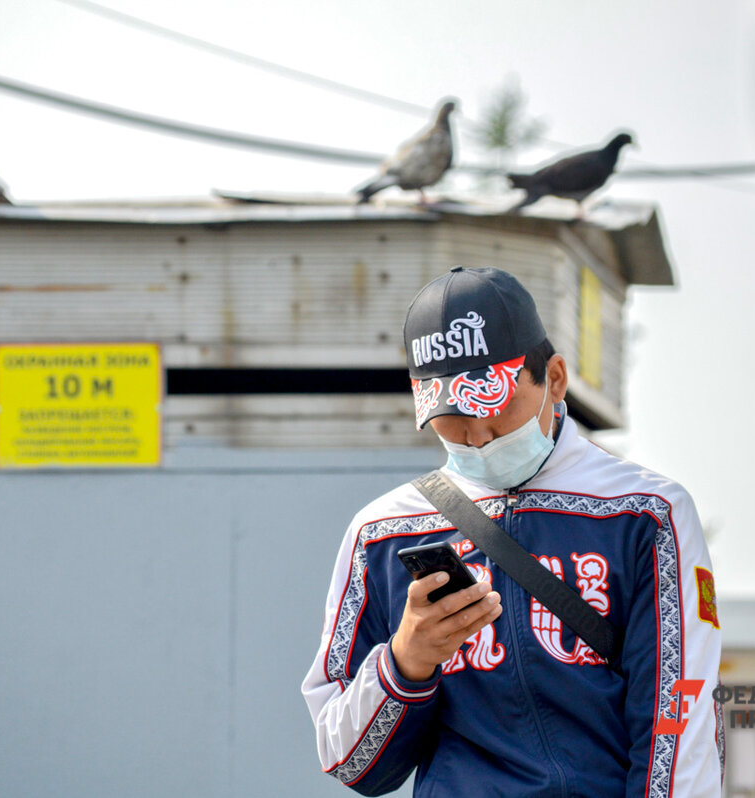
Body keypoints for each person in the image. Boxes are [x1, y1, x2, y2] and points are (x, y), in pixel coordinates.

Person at [301, 266, 724, 797]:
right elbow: (348, 762)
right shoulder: (382, 533)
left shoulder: (645, 513)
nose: (478, 435)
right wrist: (406, 661)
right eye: (454, 416)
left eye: (494, 406)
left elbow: (679, 717)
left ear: (554, 379)